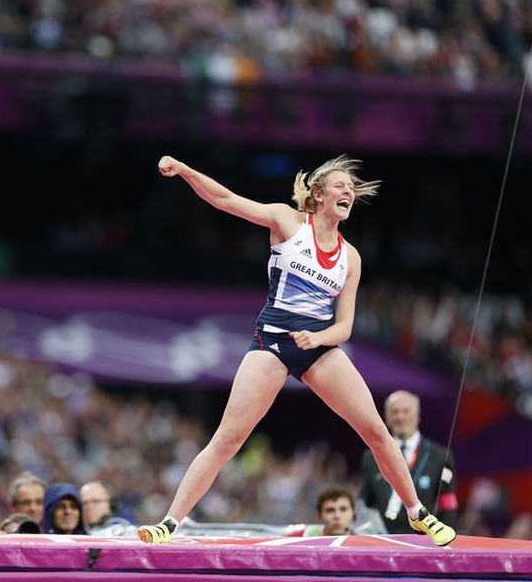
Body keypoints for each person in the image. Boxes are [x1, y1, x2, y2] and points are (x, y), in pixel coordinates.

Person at [137, 155, 456, 547]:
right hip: (271, 342)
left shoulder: (350, 257)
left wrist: (319, 339)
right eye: (341, 186)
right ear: (319, 194)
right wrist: (186, 171)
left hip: (318, 349)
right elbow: (225, 199)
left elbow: (344, 326)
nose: (349, 193)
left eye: (352, 189)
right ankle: (168, 523)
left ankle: (418, 514)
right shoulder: (287, 221)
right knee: (228, 439)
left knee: (376, 430)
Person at [359, 390, 458, 534]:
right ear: (386, 417)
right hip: (382, 540)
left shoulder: (440, 456)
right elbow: (365, 504)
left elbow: (448, 504)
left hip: (422, 540)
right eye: (395, 412)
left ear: (418, 415)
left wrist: (446, 543)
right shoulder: (370, 457)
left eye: (406, 411)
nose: (400, 417)